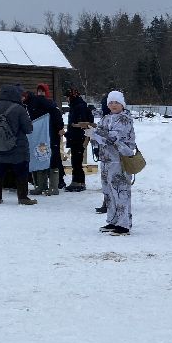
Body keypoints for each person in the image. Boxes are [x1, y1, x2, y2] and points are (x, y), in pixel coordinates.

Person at [86, 90, 136, 235]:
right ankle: (113, 220)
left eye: (116, 102)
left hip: (119, 160)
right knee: (108, 192)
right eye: (111, 102)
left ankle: (124, 224)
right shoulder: (106, 118)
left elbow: (113, 138)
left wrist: (96, 134)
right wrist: (93, 136)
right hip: (106, 160)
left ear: (122, 104)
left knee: (120, 191)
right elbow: (101, 135)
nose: (113, 105)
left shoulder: (124, 119)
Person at [0, 84, 36, 205]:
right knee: (21, 171)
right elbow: (28, 129)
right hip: (17, 147)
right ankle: (23, 197)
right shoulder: (19, 109)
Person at [25, 83, 65, 195]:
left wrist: (60, 128)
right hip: (39, 136)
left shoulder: (51, 105)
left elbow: (57, 117)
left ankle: (54, 187)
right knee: (40, 157)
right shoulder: (33, 105)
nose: (40, 94)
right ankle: (41, 186)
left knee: (53, 159)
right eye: (39, 91)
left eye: (43, 91)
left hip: (51, 135)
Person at [64, 88, 94, 192]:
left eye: (67, 97)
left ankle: (78, 182)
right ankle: (78, 181)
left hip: (78, 137)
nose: (67, 99)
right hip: (76, 136)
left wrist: (73, 126)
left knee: (77, 161)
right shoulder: (77, 106)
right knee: (76, 161)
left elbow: (84, 123)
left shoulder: (79, 107)